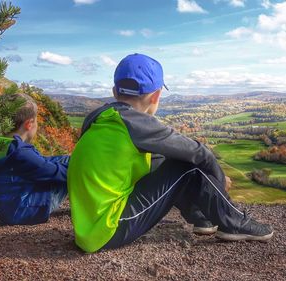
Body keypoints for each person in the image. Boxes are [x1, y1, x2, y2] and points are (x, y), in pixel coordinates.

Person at [68, 53, 273, 253]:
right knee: (186, 165)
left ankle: (201, 218)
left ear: (114, 92)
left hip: (89, 229)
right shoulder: (136, 123)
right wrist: (219, 182)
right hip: (109, 230)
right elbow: (200, 153)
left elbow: (155, 163)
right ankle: (235, 222)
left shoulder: (102, 118)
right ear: (156, 95)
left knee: (165, 160)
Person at [0, 93, 68, 225]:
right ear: (29, 124)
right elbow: (53, 173)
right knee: (70, 166)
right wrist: (79, 168)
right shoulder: (19, 152)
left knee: (60, 161)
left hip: (7, 209)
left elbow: (39, 164)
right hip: (28, 209)